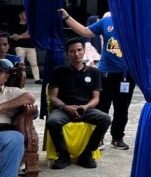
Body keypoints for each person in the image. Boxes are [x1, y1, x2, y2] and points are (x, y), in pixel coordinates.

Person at [59, 9, 133, 150]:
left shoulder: (135, 22)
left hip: (126, 74)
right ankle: (98, 139)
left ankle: (117, 138)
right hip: (106, 73)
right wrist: (67, 17)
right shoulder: (106, 21)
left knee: (122, 108)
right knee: (102, 107)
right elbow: (85, 31)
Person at [46, 38, 112, 169]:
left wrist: (86, 107)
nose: (76, 54)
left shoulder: (94, 72)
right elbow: (53, 97)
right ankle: (63, 155)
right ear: (67, 54)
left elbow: (96, 99)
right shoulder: (58, 71)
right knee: (52, 122)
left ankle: (87, 154)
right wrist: (65, 107)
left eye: (79, 50)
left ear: (84, 51)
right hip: (63, 109)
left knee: (105, 119)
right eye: (72, 51)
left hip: (85, 109)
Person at [10, 10, 41, 83]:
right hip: (20, 47)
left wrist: (20, 36)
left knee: (34, 63)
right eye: (24, 14)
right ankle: (19, 79)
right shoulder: (16, 25)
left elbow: (31, 35)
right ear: (20, 15)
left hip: (31, 47)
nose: (26, 15)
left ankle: (37, 79)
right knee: (20, 64)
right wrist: (21, 36)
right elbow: (14, 37)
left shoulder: (31, 25)